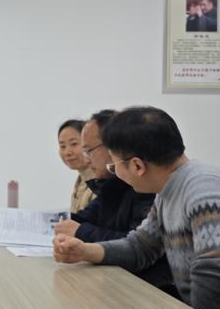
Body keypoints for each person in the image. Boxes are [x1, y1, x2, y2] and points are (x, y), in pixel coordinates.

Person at [53, 106, 220, 309]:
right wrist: (84, 251)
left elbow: (215, 275)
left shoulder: (205, 190)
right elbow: (140, 247)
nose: (115, 173)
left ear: (137, 166)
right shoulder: (168, 190)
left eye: (114, 166)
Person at [53, 110, 174, 294]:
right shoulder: (110, 185)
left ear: (113, 148)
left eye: (89, 150)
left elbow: (137, 247)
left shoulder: (146, 187)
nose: (86, 159)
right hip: (120, 282)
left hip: (146, 290)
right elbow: (82, 219)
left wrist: (80, 233)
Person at [58, 119, 95, 214]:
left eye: (74, 144)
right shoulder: (81, 180)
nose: (67, 152)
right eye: (62, 146)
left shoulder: (99, 180)